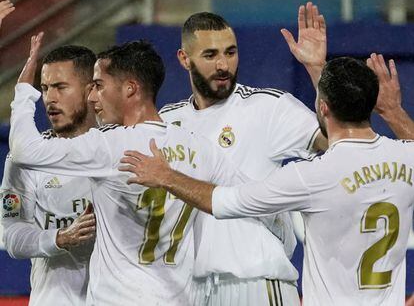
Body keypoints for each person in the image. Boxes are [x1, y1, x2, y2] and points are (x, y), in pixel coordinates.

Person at [120, 57, 414, 306]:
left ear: (323, 107)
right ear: (372, 104)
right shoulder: (406, 157)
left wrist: (166, 176)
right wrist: (394, 111)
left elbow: (221, 201)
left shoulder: (310, 176)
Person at [8, 34, 245, 306]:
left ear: (130, 89)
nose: (93, 96)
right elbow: (246, 197)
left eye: (98, 85)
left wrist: (24, 93)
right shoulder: (199, 147)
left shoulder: (109, 145)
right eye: (45, 87)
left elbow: (25, 149)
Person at [156, 7, 327, 305]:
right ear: (185, 59)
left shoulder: (267, 108)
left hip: (257, 283)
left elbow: (336, 140)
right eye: (210, 55)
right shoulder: (167, 122)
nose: (224, 64)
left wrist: (317, 70)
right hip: (192, 290)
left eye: (231, 52)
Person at [1, 34, 97, 305]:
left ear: (91, 90)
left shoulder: (117, 150)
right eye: (44, 88)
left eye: (60, 87)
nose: (49, 99)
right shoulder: (25, 160)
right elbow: (12, 236)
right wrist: (59, 237)